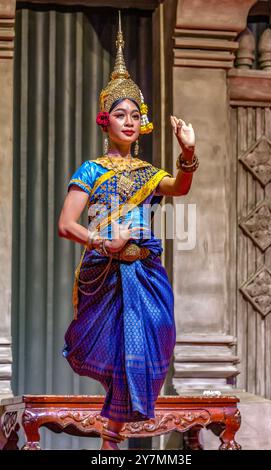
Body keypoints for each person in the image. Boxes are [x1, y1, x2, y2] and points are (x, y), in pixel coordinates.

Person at [58, 13, 198, 451]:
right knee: (118, 353)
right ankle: (111, 440)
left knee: (156, 337)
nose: (129, 121)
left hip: (147, 268)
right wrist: (105, 242)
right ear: (106, 121)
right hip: (106, 271)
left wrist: (188, 151)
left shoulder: (149, 171)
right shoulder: (90, 170)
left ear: (143, 124)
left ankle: (113, 435)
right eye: (120, 114)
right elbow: (66, 225)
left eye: (136, 115)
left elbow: (179, 186)